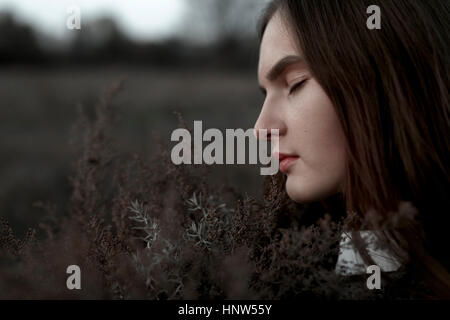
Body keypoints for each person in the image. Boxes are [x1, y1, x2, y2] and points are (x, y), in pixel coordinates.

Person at [254, 0, 450, 298]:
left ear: (380, 82)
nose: (261, 127)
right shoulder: (307, 255)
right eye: (265, 94)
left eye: (295, 83)